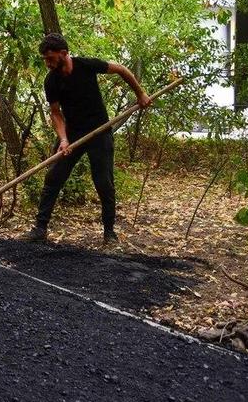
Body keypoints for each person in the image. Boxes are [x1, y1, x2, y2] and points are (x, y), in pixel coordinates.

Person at [22, 33, 151, 244]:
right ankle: (40, 228)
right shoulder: (51, 80)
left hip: (100, 131)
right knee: (53, 176)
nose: (47, 63)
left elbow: (121, 69)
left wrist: (140, 94)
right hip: (72, 133)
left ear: (64, 53)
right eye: (45, 59)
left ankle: (109, 233)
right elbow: (56, 113)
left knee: (103, 182)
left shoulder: (86, 65)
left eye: (50, 58)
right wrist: (63, 139)